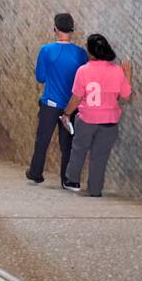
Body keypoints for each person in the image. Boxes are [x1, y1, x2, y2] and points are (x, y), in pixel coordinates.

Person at [60, 34, 132, 197]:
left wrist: (66, 113)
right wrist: (127, 73)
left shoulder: (83, 71)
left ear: (91, 52)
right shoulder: (117, 71)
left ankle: (73, 180)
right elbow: (126, 95)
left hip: (87, 119)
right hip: (110, 122)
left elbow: (76, 98)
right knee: (100, 157)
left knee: (78, 150)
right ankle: (95, 189)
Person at [26, 12, 88, 185]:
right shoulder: (81, 54)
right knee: (67, 144)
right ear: (72, 30)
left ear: (55, 28)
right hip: (71, 106)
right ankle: (66, 178)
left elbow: (40, 77)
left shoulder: (46, 50)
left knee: (42, 140)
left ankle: (36, 172)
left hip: (50, 104)